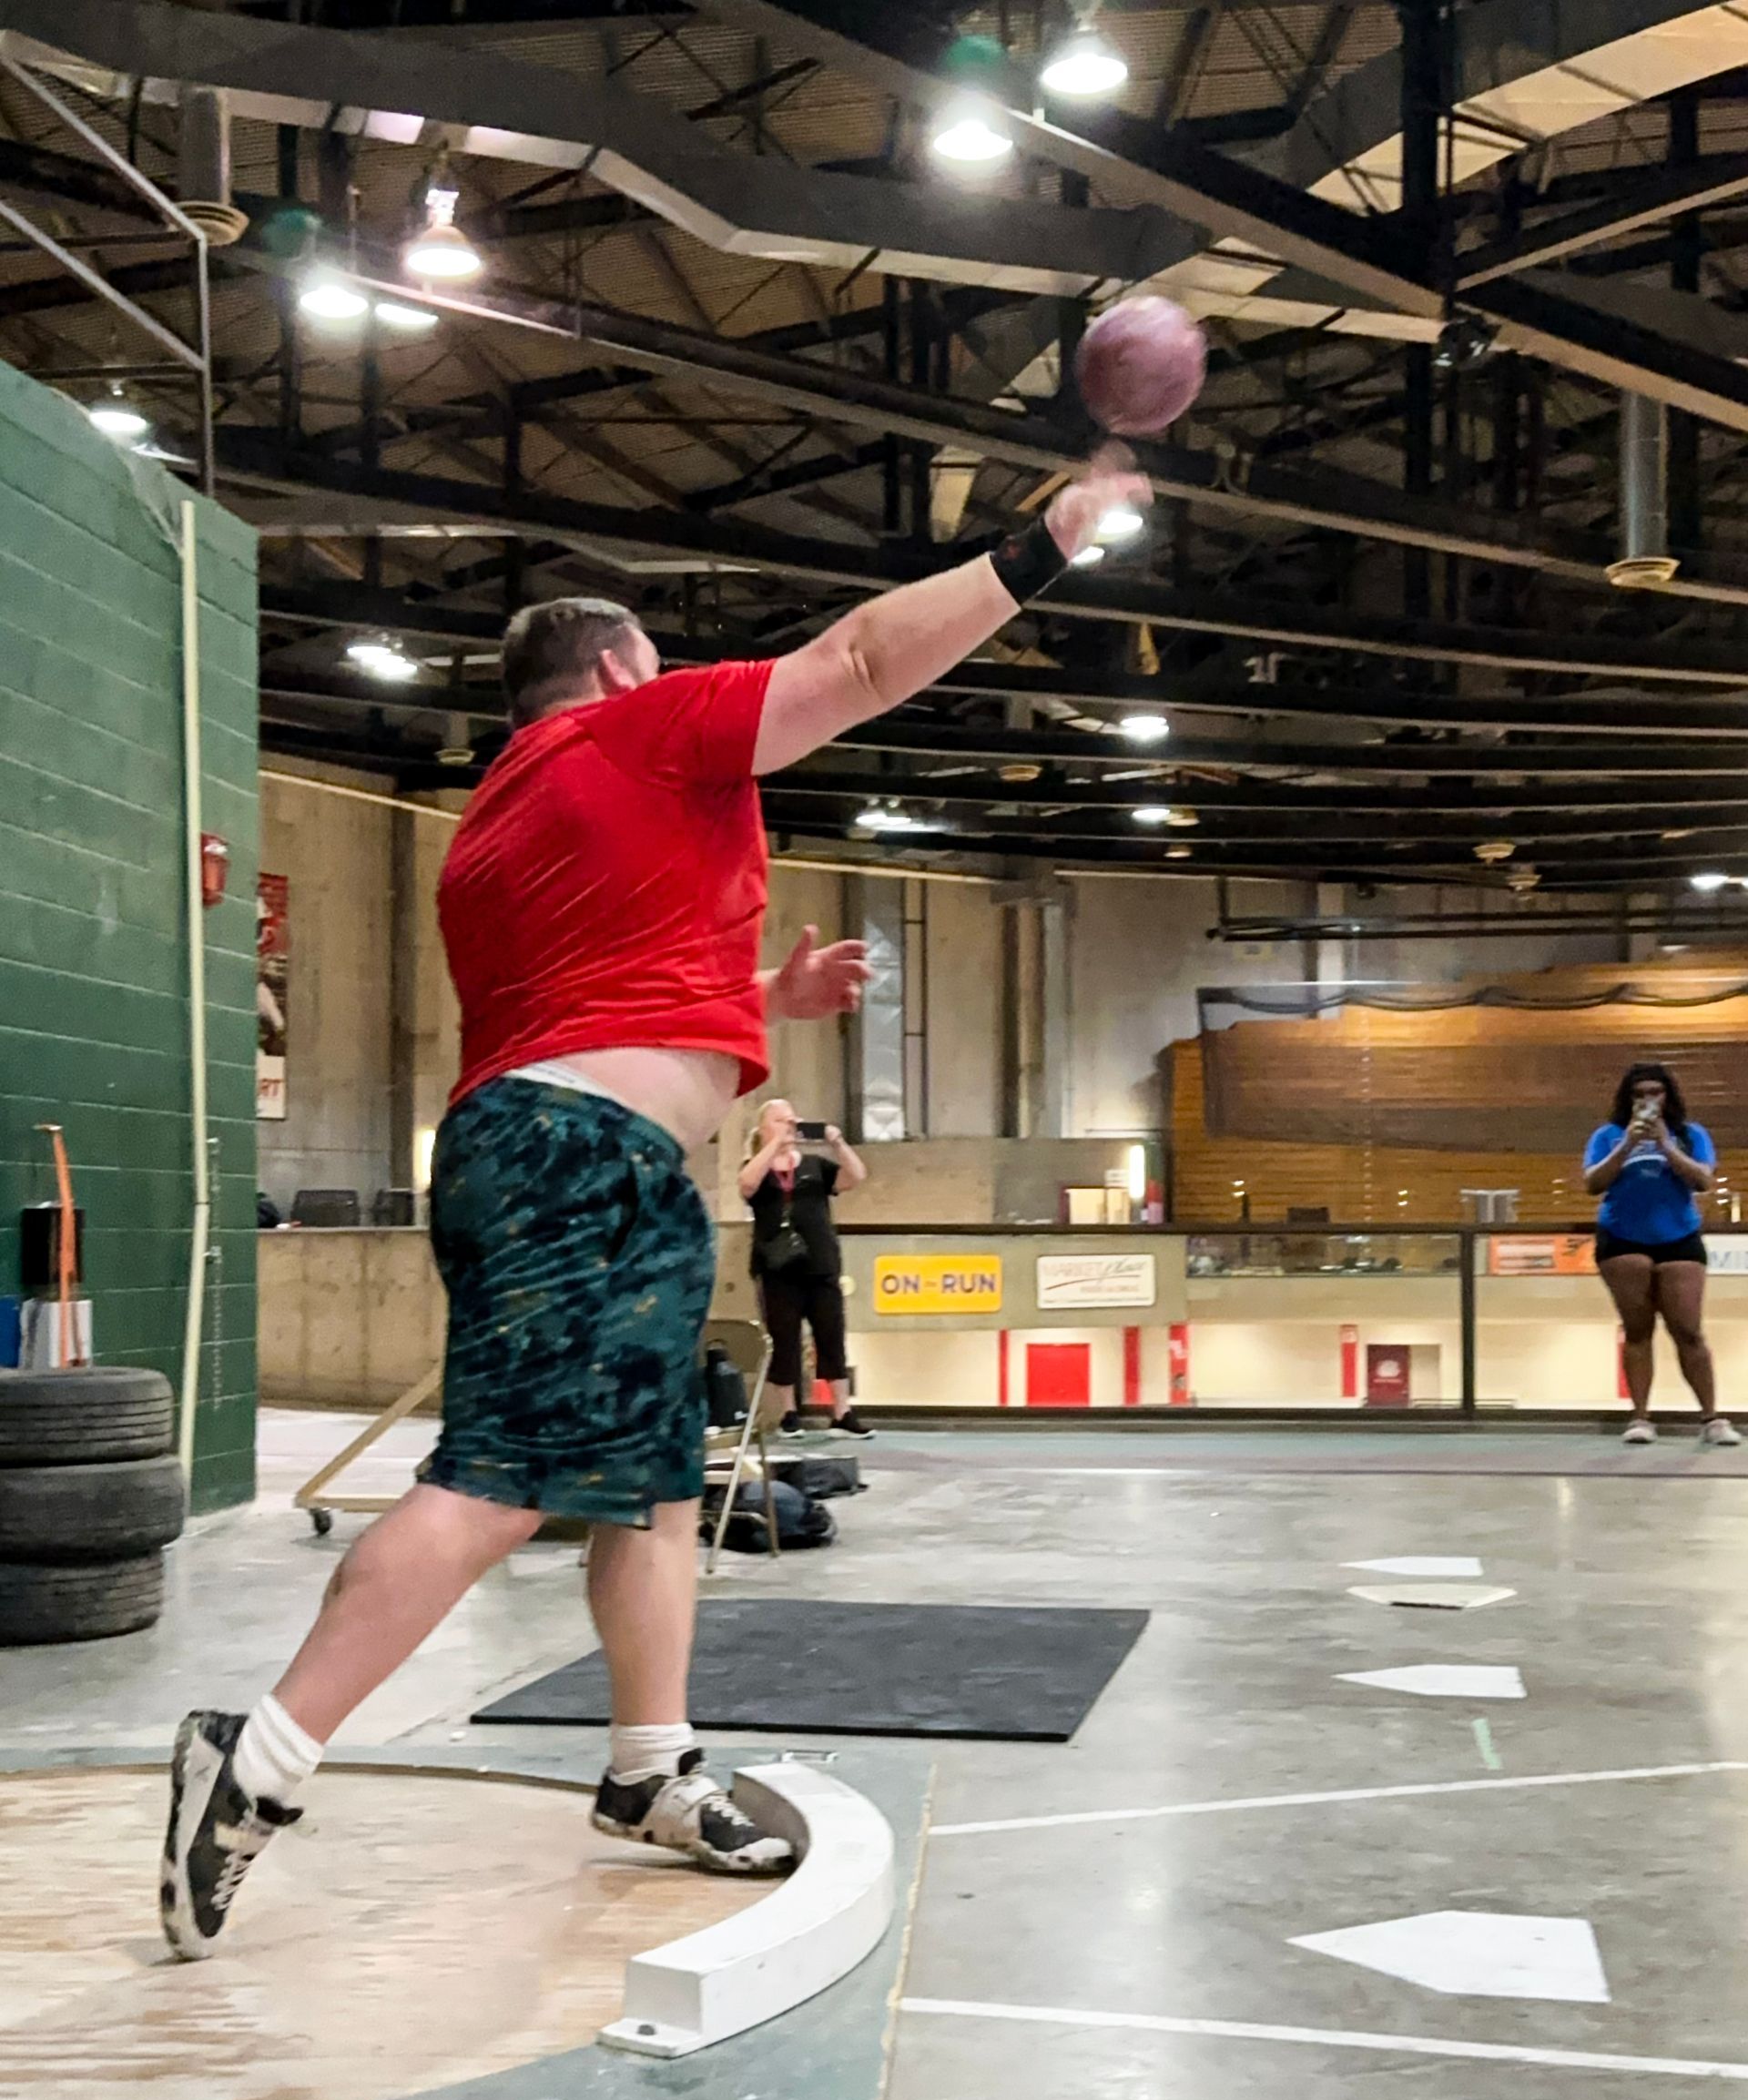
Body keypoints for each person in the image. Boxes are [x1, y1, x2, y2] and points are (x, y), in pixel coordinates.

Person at [158, 448, 1151, 1960]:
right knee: (496, 1482)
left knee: (655, 1483)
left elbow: (596, 997)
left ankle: (648, 1773)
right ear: (618, 664)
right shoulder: (641, 725)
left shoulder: (502, 822)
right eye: (658, 661)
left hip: (551, 1142)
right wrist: (1041, 548)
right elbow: (864, 657)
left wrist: (768, 997)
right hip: (583, 1162)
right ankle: (259, 1761)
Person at [1583, 1061, 1739, 1447]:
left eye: (1655, 1092)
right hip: (1623, 1237)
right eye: (1639, 1094)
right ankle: (1640, 1417)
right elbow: (1593, 1183)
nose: (1648, 1100)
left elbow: (1703, 1180)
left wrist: (1666, 1144)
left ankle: (1712, 1417)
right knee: (1637, 1330)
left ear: (1668, 1096)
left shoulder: (1690, 1134)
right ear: (1628, 1099)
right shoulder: (1608, 1135)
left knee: (1688, 1330)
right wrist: (1628, 1145)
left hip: (1678, 1236)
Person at [739, 1100, 869, 1438]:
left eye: (793, 1120)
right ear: (765, 1127)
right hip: (777, 1267)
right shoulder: (758, 1164)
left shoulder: (814, 1165)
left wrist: (837, 1143)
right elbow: (746, 1185)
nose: (790, 1126)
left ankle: (841, 1410)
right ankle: (789, 1412)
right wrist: (772, 1147)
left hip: (819, 1264)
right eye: (782, 1120)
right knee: (784, 1339)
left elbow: (855, 1177)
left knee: (831, 1334)